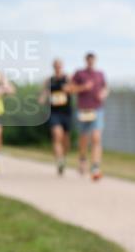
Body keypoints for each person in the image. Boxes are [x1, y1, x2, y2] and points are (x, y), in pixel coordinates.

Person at [72, 52, 109, 181]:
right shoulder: (79, 74)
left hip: (97, 109)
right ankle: (82, 159)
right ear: (85, 61)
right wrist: (83, 87)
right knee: (84, 137)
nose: (90, 63)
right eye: (89, 60)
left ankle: (95, 166)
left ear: (95, 61)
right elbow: (70, 88)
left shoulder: (100, 74)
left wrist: (103, 94)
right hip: (83, 109)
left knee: (96, 137)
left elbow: (106, 88)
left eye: (92, 60)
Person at [38, 58, 76, 176]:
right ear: (53, 67)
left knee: (66, 140)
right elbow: (43, 95)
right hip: (54, 113)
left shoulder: (68, 78)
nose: (58, 67)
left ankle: (63, 158)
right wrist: (43, 98)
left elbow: (74, 90)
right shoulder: (49, 80)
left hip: (66, 112)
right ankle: (59, 161)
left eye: (59, 65)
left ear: (62, 66)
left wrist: (68, 89)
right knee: (56, 135)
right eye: (56, 66)